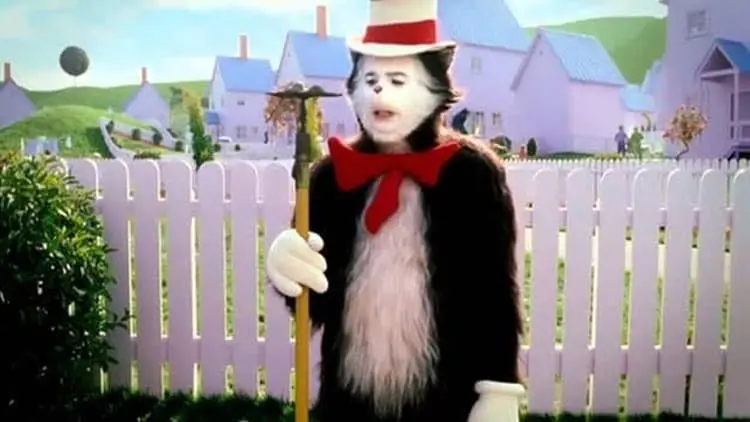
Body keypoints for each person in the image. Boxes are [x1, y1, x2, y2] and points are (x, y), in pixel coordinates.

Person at [264, 0, 524, 420]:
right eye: (371, 79)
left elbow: (493, 295)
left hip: (447, 399)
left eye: (398, 80)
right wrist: (288, 268)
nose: (379, 92)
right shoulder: (331, 177)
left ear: (435, 88)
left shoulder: (473, 176)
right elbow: (313, 305)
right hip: (349, 402)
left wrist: (499, 391)